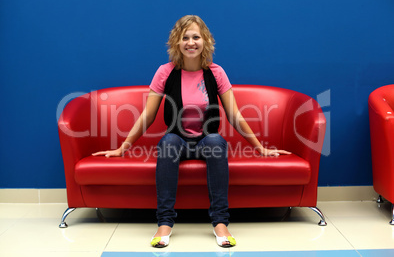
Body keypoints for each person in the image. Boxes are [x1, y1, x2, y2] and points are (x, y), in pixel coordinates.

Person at [92, 15, 291, 248]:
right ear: (176, 42)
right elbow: (147, 116)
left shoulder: (216, 73)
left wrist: (259, 147)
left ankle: (220, 223)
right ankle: (164, 224)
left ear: (205, 41)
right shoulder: (165, 72)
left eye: (196, 37)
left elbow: (234, 115)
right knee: (168, 142)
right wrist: (123, 147)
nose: (191, 42)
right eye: (185, 37)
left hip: (206, 140)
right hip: (178, 140)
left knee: (217, 141)